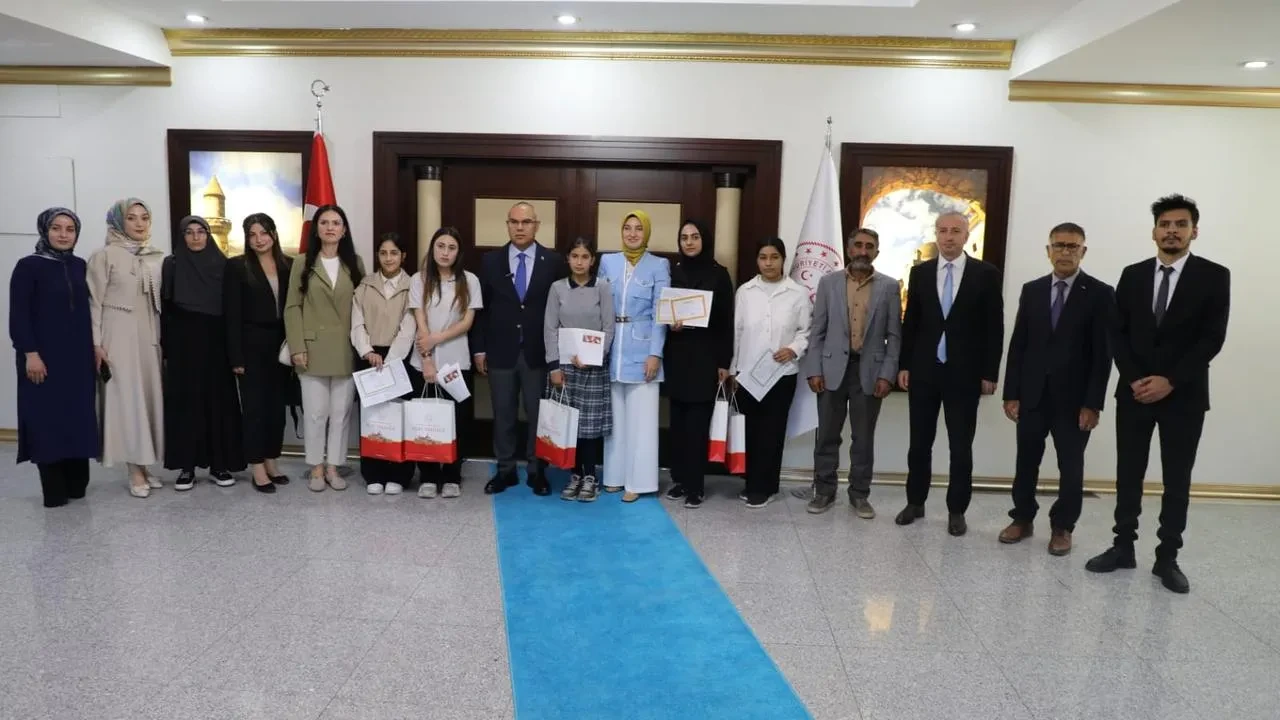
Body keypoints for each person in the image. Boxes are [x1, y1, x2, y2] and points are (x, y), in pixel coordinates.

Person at [1086, 194, 1230, 594]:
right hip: (1134, 393)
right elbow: (1117, 333)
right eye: (1165, 224)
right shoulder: (1132, 275)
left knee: (1177, 478)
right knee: (1128, 473)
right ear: (1154, 231)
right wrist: (1135, 378)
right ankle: (1122, 547)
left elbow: (1211, 338)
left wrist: (1169, 380)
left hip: (1184, 395)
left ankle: (1167, 558)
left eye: (1180, 225)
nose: (1172, 231)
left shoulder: (1214, 276)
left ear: (1194, 232)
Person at [1000, 223, 1114, 555]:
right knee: (1026, 461)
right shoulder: (1032, 290)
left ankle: (1063, 526)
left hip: (1075, 401)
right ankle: (1022, 518)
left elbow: (1103, 355)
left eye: (1072, 246)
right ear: (1048, 250)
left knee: (1071, 466)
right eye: (1059, 245)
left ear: (1083, 251)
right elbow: (1019, 345)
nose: (1065, 251)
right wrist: (1011, 393)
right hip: (1032, 395)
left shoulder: (1100, 293)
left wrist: (1093, 403)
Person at [896, 211, 1004, 536]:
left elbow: (994, 327)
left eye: (955, 231)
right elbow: (911, 323)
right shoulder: (921, 272)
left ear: (966, 235)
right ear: (936, 234)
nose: (948, 237)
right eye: (942, 230)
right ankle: (915, 502)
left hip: (965, 374)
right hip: (925, 371)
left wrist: (990, 372)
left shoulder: (985, 274)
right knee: (919, 443)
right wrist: (904, 365)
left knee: (960, 447)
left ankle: (957, 510)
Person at [804, 228, 901, 517]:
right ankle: (824, 491)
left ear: (876, 253)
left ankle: (859, 495)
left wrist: (887, 374)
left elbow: (894, 335)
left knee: (863, 438)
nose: (863, 251)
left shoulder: (889, 286)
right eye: (858, 245)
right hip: (831, 369)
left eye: (869, 246)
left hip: (869, 371)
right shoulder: (829, 283)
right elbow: (817, 330)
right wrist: (814, 369)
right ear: (848, 250)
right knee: (827, 435)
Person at [471, 202, 566, 496]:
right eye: (514, 222)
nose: (520, 227)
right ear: (507, 225)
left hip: (538, 352)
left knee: (538, 416)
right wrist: (479, 349)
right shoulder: (491, 261)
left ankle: (538, 472)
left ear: (536, 225)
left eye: (526, 222)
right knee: (503, 414)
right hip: (500, 350)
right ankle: (505, 471)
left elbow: (561, 309)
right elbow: (481, 310)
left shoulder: (553, 261)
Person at [10, 207, 98, 507]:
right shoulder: (28, 266)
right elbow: (19, 315)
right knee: (47, 421)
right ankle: (54, 488)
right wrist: (30, 354)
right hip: (43, 359)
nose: (63, 235)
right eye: (56, 228)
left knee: (77, 417)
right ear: (45, 230)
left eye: (70, 229)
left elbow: (90, 312)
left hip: (78, 360)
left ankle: (76, 482)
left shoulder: (79, 265)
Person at [87, 198, 166, 498]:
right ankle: (133, 469)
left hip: (148, 335)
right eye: (131, 218)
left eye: (144, 217)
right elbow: (94, 303)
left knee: (145, 397)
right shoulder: (104, 256)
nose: (139, 223)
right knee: (126, 400)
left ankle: (143, 464)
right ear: (119, 222)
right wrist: (96, 344)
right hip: (117, 335)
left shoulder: (154, 256)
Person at [161, 216, 246, 490]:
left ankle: (219, 465)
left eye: (201, 232)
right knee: (186, 405)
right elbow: (166, 309)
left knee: (217, 405)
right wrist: (166, 350)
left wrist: (234, 353)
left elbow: (232, 311)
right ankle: (187, 467)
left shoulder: (224, 265)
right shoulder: (172, 265)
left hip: (216, 344)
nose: (196, 237)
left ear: (208, 235)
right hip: (183, 346)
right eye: (189, 232)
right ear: (182, 236)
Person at [284, 204, 365, 492]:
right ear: (316, 229)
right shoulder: (302, 263)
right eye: (324, 222)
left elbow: (362, 307)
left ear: (344, 230)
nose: (330, 227)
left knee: (340, 413)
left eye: (336, 223)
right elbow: (292, 307)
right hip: (312, 349)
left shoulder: (355, 263)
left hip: (345, 348)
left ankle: (334, 466)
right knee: (315, 413)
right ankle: (316, 467)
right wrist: (297, 346)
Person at [730, 237, 810, 509]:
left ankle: (767, 486)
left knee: (772, 431)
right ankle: (751, 483)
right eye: (763, 257)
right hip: (748, 374)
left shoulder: (797, 293)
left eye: (774, 257)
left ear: (783, 259)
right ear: (757, 260)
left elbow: (806, 331)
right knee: (750, 430)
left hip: (782, 373)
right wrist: (733, 369)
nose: (768, 263)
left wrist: (793, 349)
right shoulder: (745, 291)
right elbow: (737, 332)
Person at [598, 211, 669, 503]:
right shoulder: (608, 261)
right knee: (614, 421)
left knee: (642, 422)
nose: (632, 233)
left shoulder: (658, 265)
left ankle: (638, 482)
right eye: (627, 228)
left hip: (643, 350)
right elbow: (599, 304)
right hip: (613, 349)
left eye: (638, 228)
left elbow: (660, 313)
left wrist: (655, 353)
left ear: (646, 232)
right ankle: (614, 477)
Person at [662, 219, 734, 509]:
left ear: (704, 239)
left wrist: (724, 362)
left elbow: (726, 322)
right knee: (678, 424)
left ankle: (696, 485)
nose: (689, 242)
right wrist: (670, 324)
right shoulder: (672, 272)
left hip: (706, 357)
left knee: (697, 425)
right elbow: (662, 311)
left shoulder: (719, 274)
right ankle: (679, 480)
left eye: (695, 236)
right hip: (677, 355)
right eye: (684, 237)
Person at [225, 213, 296, 493]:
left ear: (274, 234)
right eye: (252, 235)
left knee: (276, 409)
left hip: (281, 346)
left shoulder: (289, 265)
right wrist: (236, 357)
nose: (259, 239)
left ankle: (271, 460)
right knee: (254, 409)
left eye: (264, 233)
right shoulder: (237, 266)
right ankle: (256, 466)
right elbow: (231, 314)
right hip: (250, 346)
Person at [410, 227, 481, 499]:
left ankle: (452, 475)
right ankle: (428, 475)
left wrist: (435, 339)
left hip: (456, 364)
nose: (445, 252)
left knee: (457, 421)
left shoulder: (470, 280)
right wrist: (427, 359)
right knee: (426, 421)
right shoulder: (419, 280)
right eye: (440, 246)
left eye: (451, 248)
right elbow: (420, 322)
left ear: (458, 253)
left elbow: (467, 322)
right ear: (432, 249)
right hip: (424, 363)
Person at [545, 237, 615, 503]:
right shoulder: (557, 288)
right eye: (574, 256)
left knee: (590, 426)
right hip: (565, 366)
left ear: (592, 260)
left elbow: (609, 328)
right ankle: (574, 475)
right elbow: (550, 329)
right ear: (568, 258)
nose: (579, 262)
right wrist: (554, 366)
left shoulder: (603, 287)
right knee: (570, 423)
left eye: (585, 257)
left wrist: (595, 356)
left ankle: (590, 477)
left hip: (593, 367)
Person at [352, 232, 416, 496]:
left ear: (403, 256)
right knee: (372, 418)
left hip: (399, 359)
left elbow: (409, 327)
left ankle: (399, 475)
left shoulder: (413, 286)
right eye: (383, 253)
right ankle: (373, 473)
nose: (388, 258)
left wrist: (390, 361)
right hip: (370, 358)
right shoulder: (365, 286)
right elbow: (357, 323)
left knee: (398, 415)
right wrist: (368, 351)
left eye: (394, 253)